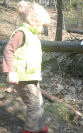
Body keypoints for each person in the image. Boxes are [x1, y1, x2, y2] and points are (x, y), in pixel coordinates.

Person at [2, 1, 50, 133]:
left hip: (31, 76)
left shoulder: (32, 35)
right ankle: (30, 130)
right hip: (22, 77)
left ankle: (39, 127)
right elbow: (8, 50)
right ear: (34, 20)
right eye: (42, 25)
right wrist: (10, 71)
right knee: (34, 105)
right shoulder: (21, 33)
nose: (43, 28)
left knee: (38, 102)